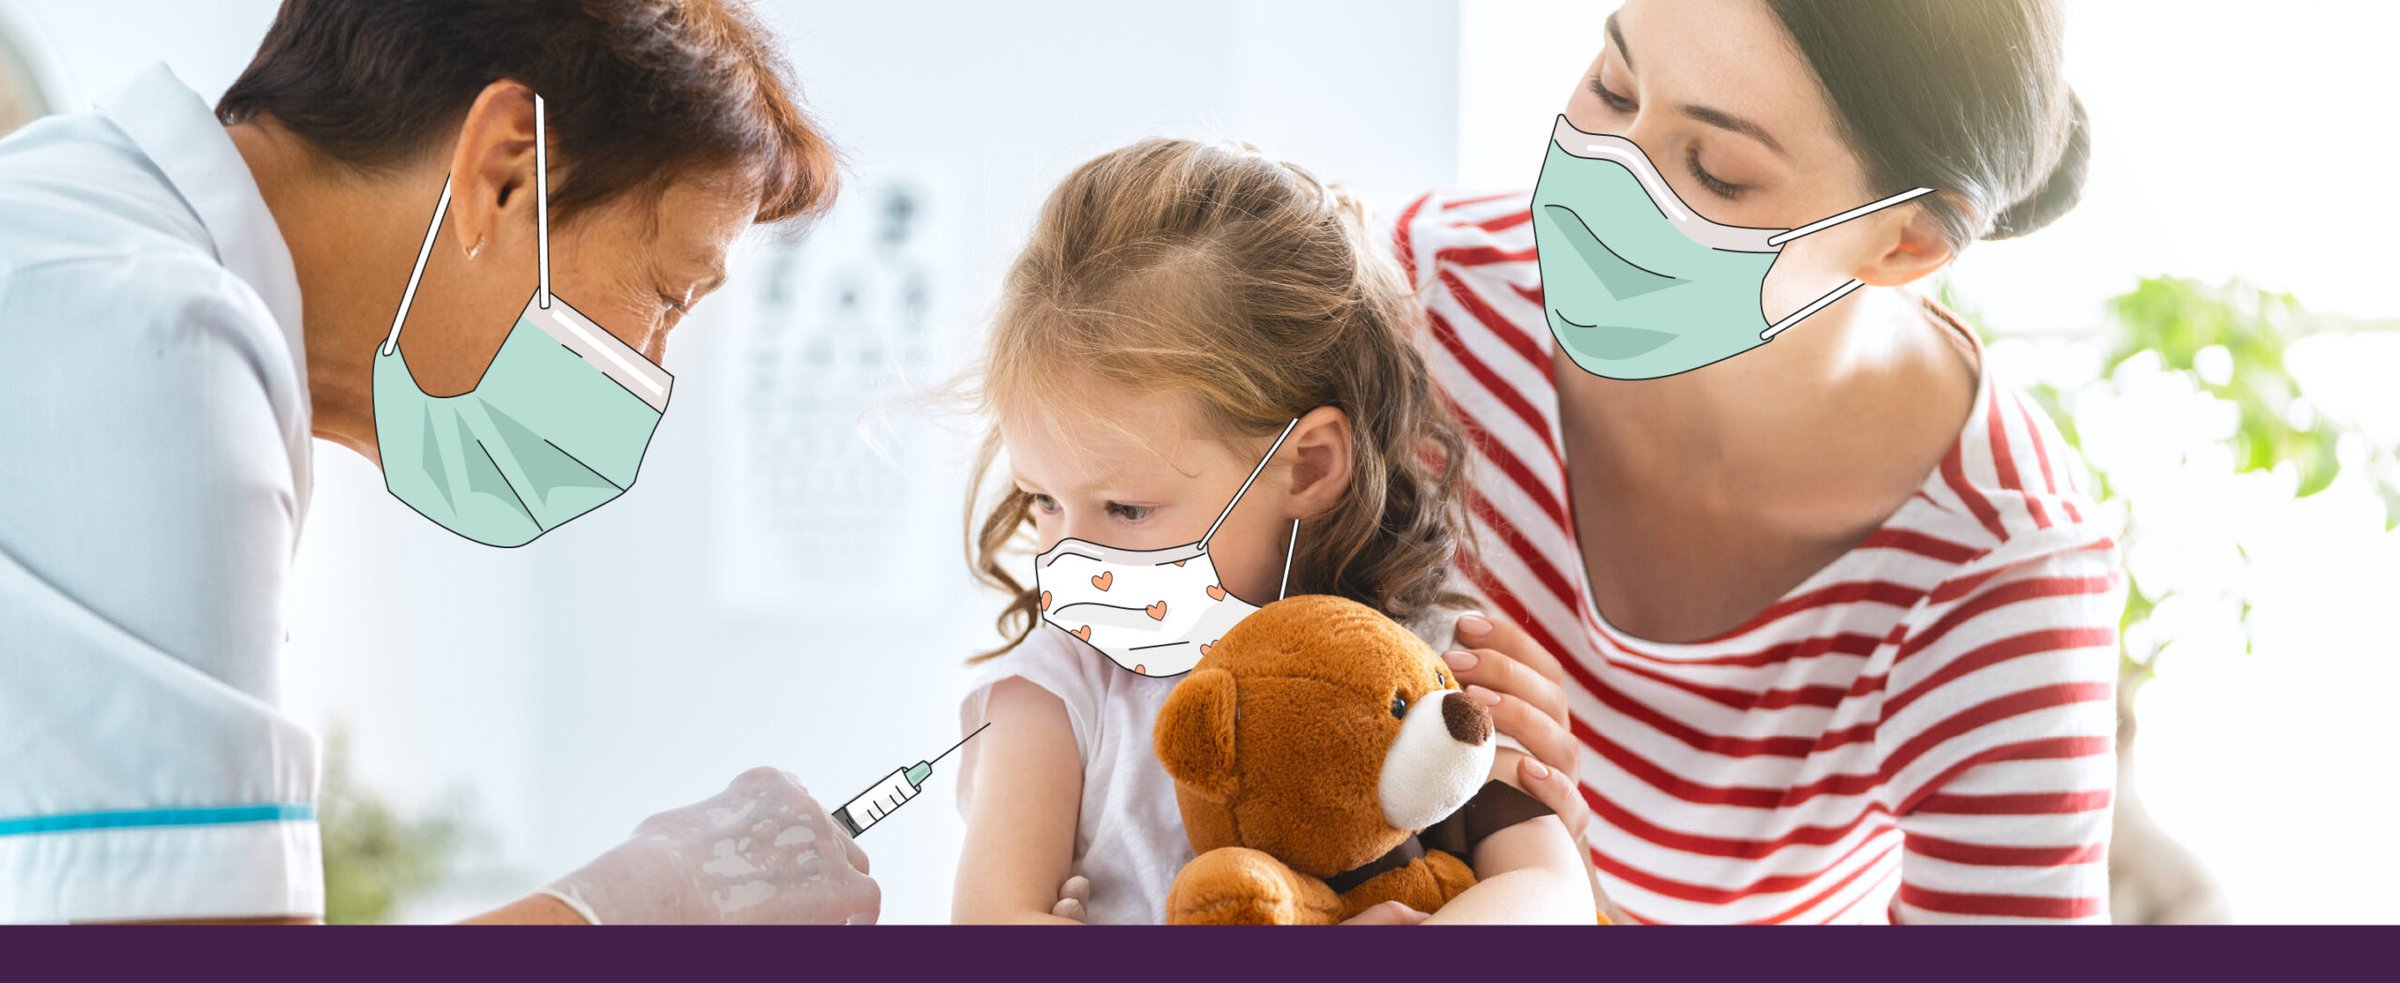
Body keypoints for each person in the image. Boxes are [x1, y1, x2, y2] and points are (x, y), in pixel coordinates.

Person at [0, 0, 876, 924]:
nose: (649, 378)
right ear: (503, 170)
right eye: (667, 295)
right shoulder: (141, 330)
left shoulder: (79, 245)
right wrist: (648, 906)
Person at [1396, 0, 2122, 923]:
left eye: (1717, 170)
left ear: (1906, 242)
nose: (1607, 172)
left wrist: (1572, 895)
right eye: (1614, 86)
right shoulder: (1422, 296)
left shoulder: (1999, 580)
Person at [948, 138, 1592, 924]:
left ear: (1308, 468)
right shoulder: (1058, 695)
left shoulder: (1429, 661)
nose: (1067, 557)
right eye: (1042, 500)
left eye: (1125, 509)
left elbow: (1549, 895)